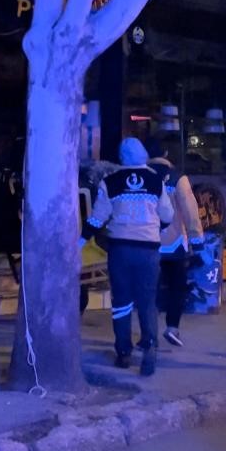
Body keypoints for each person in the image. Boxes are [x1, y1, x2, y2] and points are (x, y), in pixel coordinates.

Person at [81, 137, 174, 377]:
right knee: (147, 300)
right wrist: (157, 228)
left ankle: (123, 352)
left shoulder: (110, 181)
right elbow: (167, 215)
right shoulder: (156, 180)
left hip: (120, 249)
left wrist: (80, 241)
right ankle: (150, 347)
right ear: (143, 153)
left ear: (121, 157)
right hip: (148, 250)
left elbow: (98, 218)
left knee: (121, 301)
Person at [144, 137, 205, 348]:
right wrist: (197, 241)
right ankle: (172, 328)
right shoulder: (178, 178)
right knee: (176, 288)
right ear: (167, 154)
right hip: (174, 244)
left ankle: (148, 334)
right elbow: (190, 212)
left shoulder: (141, 176)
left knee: (148, 290)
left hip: (147, 243)